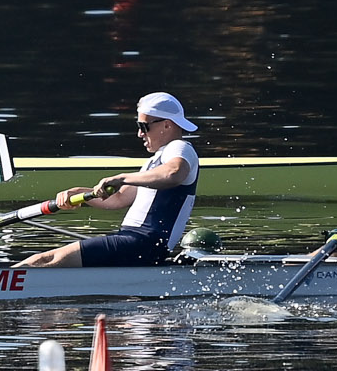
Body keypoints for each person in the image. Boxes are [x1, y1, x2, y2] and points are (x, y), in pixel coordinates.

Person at [16, 92, 201, 269]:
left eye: (144, 126)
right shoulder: (155, 163)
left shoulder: (180, 148)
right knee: (48, 260)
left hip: (143, 243)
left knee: (44, 260)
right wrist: (80, 193)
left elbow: (173, 173)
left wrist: (122, 178)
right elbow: (118, 199)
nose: (139, 134)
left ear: (167, 125)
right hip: (133, 242)